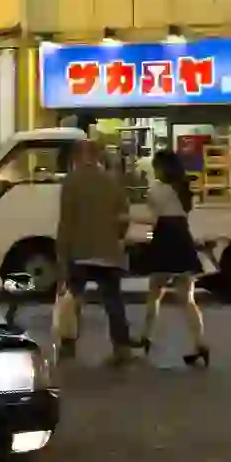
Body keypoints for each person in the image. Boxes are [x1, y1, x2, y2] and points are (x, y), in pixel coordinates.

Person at [55, 139, 135, 365]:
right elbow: (123, 216)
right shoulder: (112, 182)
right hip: (108, 252)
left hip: (80, 251)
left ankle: (69, 345)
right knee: (113, 301)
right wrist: (117, 237)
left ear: (78, 156)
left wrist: (62, 254)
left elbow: (66, 222)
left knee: (73, 300)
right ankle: (122, 347)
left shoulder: (72, 182)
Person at [133, 150, 210, 367]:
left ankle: (145, 338)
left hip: (165, 240)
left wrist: (124, 218)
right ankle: (200, 343)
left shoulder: (156, 189)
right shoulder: (184, 188)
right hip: (183, 239)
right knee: (187, 299)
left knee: (154, 293)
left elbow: (151, 217)